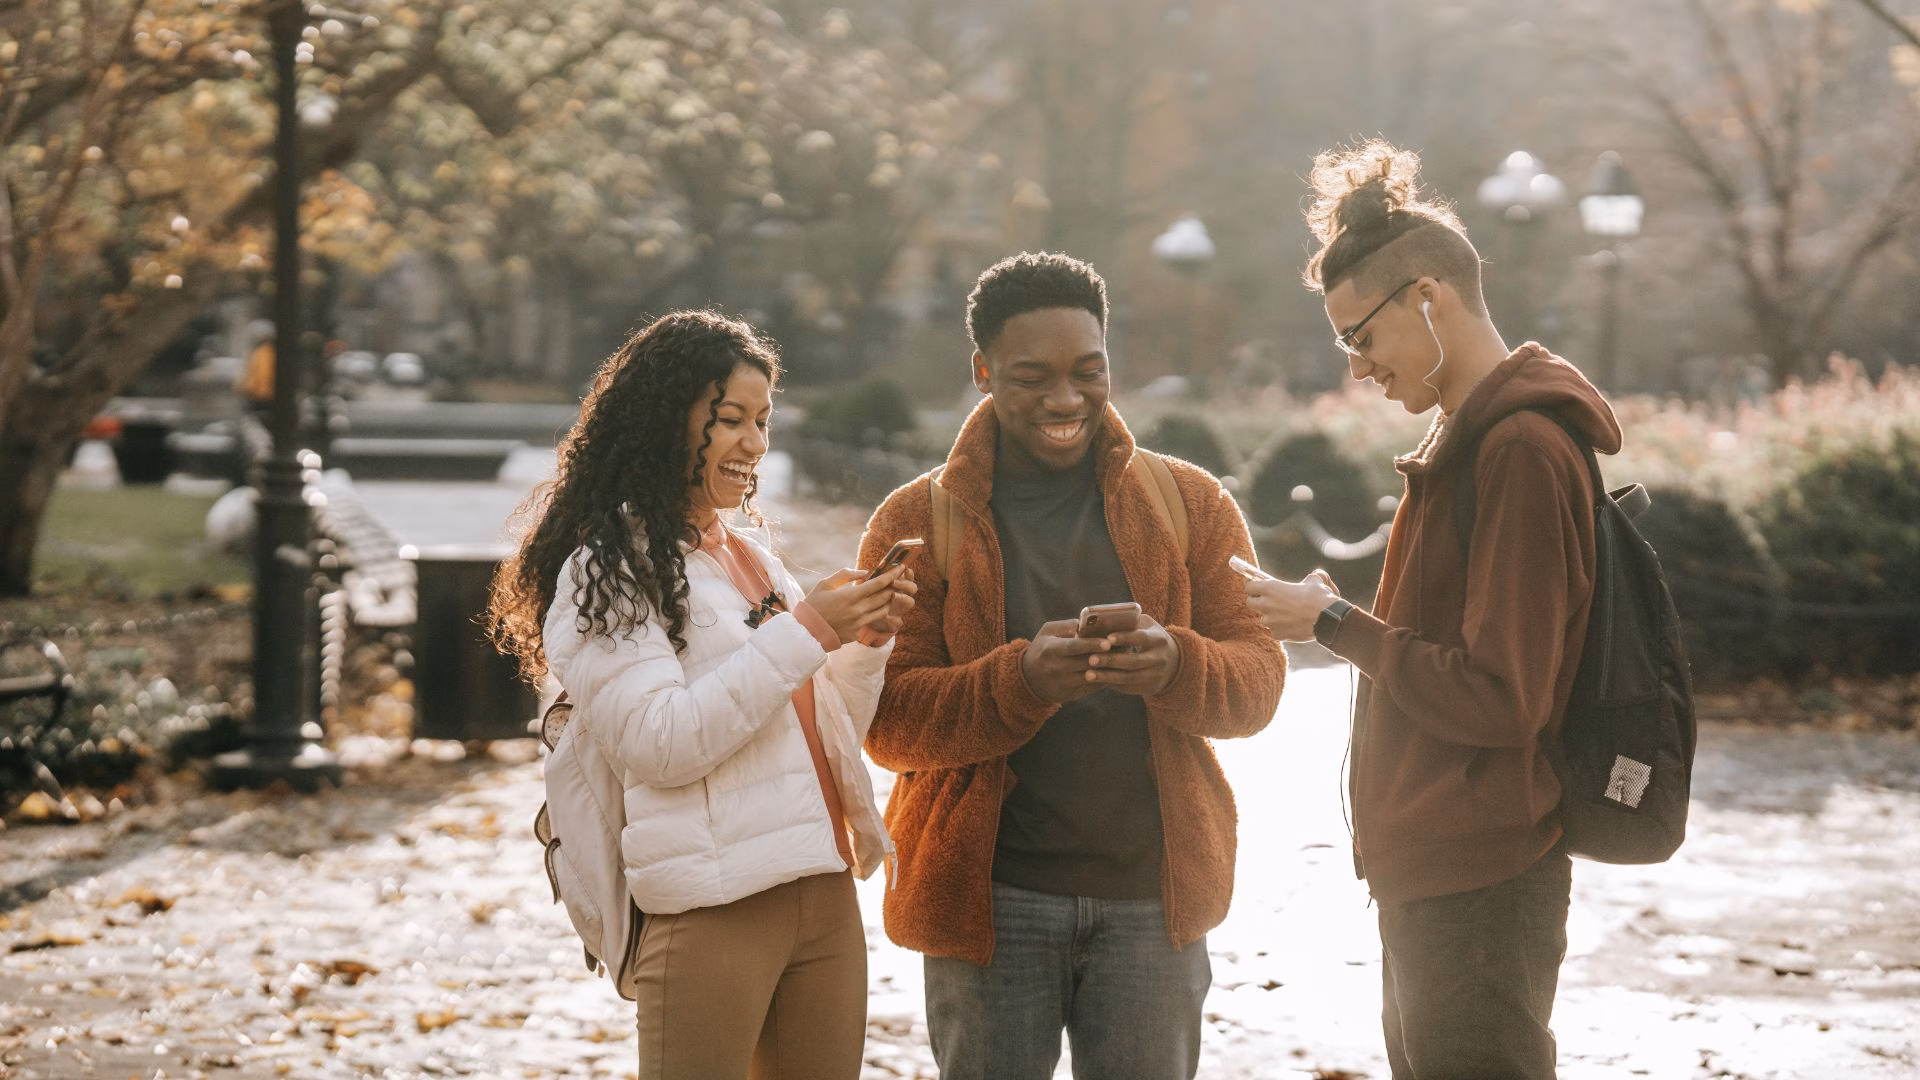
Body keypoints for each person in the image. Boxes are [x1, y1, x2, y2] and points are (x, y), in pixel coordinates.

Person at [1242, 140, 1622, 1079]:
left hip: (1482, 876)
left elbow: (1501, 698)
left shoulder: (1520, 447)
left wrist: (1331, 625)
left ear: (1427, 297)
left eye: (1359, 338)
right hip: (1442, 870)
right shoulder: (1472, 436)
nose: (1358, 368)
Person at [857, 252, 1287, 1080]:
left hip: (1153, 903)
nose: (1066, 399)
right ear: (982, 371)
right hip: (990, 904)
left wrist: (1177, 665)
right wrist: (1018, 683)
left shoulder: (1189, 502)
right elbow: (887, 723)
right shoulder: (917, 521)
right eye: (1032, 377)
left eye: (1089, 372)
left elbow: (1260, 682)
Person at [486, 310, 915, 1080]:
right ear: (663, 422)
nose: (754, 443)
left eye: (763, 420)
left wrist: (865, 645)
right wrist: (808, 629)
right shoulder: (607, 572)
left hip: (820, 892)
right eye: (730, 420)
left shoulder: (747, 558)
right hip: (715, 909)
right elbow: (661, 744)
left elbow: (825, 732)